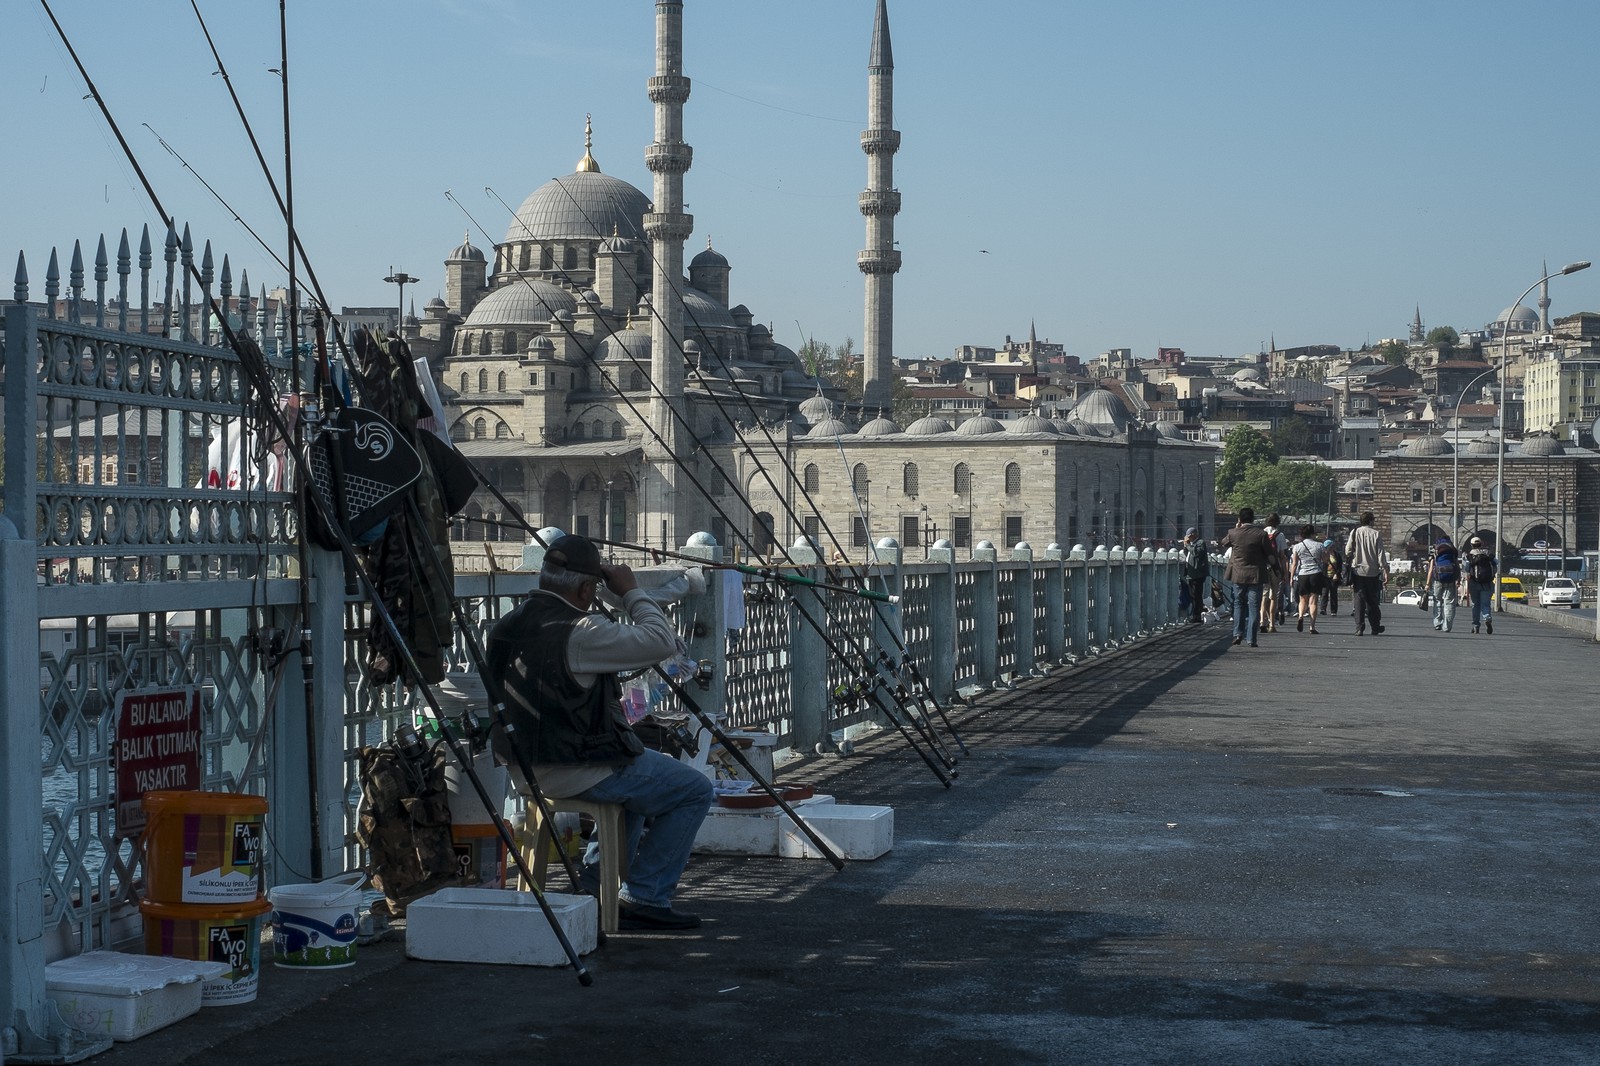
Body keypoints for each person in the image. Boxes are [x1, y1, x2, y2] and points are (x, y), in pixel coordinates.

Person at [485, 534, 714, 931]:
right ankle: (645, 894)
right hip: (574, 765)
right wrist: (630, 591)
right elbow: (660, 641)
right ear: (588, 589)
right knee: (693, 789)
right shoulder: (581, 631)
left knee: (635, 775)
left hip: (521, 769)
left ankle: (596, 882)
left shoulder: (506, 624)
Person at [1220, 507, 1272, 648]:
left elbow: (1224, 542)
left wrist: (1236, 527)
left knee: (1238, 604)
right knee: (1254, 606)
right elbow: (1270, 554)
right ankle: (1252, 639)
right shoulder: (1261, 534)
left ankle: (1238, 634)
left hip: (1238, 575)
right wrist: (1278, 570)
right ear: (1253, 519)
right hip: (1256, 575)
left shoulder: (1233, 533)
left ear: (1240, 519)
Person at [1344, 511, 1389, 636]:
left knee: (1358, 599)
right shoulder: (1376, 534)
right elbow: (1380, 554)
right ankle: (1375, 626)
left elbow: (1348, 550)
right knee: (1372, 600)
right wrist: (1385, 569)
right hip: (1372, 572)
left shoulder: (1355, 532)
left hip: (1357, 571)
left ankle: (1359, 627)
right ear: (1370, 521)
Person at [1289, 524, 1326, 634]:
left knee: (1302, 599)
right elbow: (1325, 560)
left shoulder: (1297, 546)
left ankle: (1300, 616)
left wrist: (1291, 578)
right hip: (1316, 574)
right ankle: (1312, 626)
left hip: (1303, 574)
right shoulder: (1320, 545)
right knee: (1313, 601)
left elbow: (1294, 564)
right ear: (1312, 534)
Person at [1424, 535, 1460, 633]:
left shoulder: (1435, 550)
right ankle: (1447, 626)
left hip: (1438, 579)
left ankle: (1437, 623)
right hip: (1450, 579)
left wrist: (1427, 583)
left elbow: (1431, 569)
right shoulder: (1453, 550)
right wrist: (1458, 579)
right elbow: (1457, 565)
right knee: (1449, 602)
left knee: (1437, 601)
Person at [1464, 535, 1497, 635]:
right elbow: (1496, 566)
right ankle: (1487, 618)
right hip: (1487, 583)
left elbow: (1466, 569)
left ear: (1471, 545)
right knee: (1485, 604)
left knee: (1475, 604)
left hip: (1474, 583)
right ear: (1481, 544)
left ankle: (1476, 626)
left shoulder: (1470, 556)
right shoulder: (1487, 554)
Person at [1180, 527, 1209, 623]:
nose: (1188, 538)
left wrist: (1188, 545)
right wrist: (1185, 546)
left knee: (1197, 594)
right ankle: (1195, 614)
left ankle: (1197, 616)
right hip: (1191, 573)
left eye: (1189, 536)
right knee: (1192, 594)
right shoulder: (1191, 544)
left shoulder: (1200, 542)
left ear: (1194, 535)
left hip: (1198, 573)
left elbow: (1196, 553)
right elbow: (1187, 553)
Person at [1319, 538, 1342, 618]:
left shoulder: (1337, 555)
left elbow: (1340, 566)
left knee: (1333, 593)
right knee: (1324, 593)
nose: (1330, 548)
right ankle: (1323, 609)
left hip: (1334, 576)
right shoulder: (1323, 554)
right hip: (1325, 576)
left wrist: (1337, 574)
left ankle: (1333, 610)